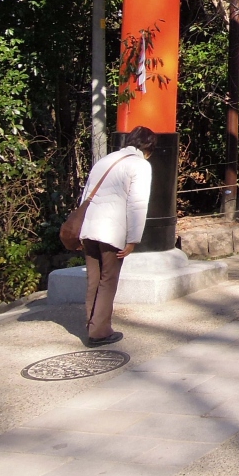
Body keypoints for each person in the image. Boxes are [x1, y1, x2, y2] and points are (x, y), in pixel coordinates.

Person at [77, 126, 156, 347]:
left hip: (89, 227)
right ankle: (100, 331)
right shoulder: (140, 165)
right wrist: (133, 239)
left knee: (94, 279)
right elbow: (137, 204)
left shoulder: (105, 160)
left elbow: (85, 195)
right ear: (148, 147)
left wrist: (81, 230)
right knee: (108, 280)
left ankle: (92, 323)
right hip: (111, 230)